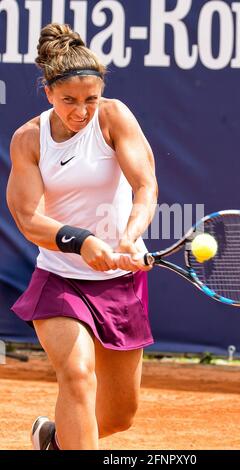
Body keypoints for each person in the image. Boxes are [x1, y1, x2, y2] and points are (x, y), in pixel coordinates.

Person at [6, 23, 158, 450]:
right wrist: (81, 240)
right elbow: (26, 215)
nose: (81, 111)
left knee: (118, 416)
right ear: (48, 93)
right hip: (61, 278)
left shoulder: (113, 116)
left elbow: (145, 185)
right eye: (69, 100)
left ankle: (53, 440)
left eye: (90, 99)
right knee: (76, 375)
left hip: (121, 282)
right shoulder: (29, 140)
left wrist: (130, 237)